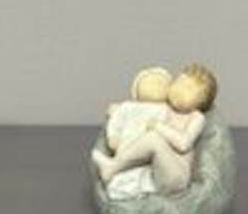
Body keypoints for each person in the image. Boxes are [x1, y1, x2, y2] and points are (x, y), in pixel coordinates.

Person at [92, 63, 218, 195]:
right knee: (146, 138)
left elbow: (183, 144)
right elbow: (143, 109)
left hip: (176, 177)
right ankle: (117, 168)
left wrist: (159, 127)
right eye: (178, 82)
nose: (178, 89)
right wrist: (120, 109)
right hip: (157, 171)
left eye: (188, 87)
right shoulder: (166, 108)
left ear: (202, 100)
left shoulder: (196, 117)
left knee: (153, 138)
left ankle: (112, 167)